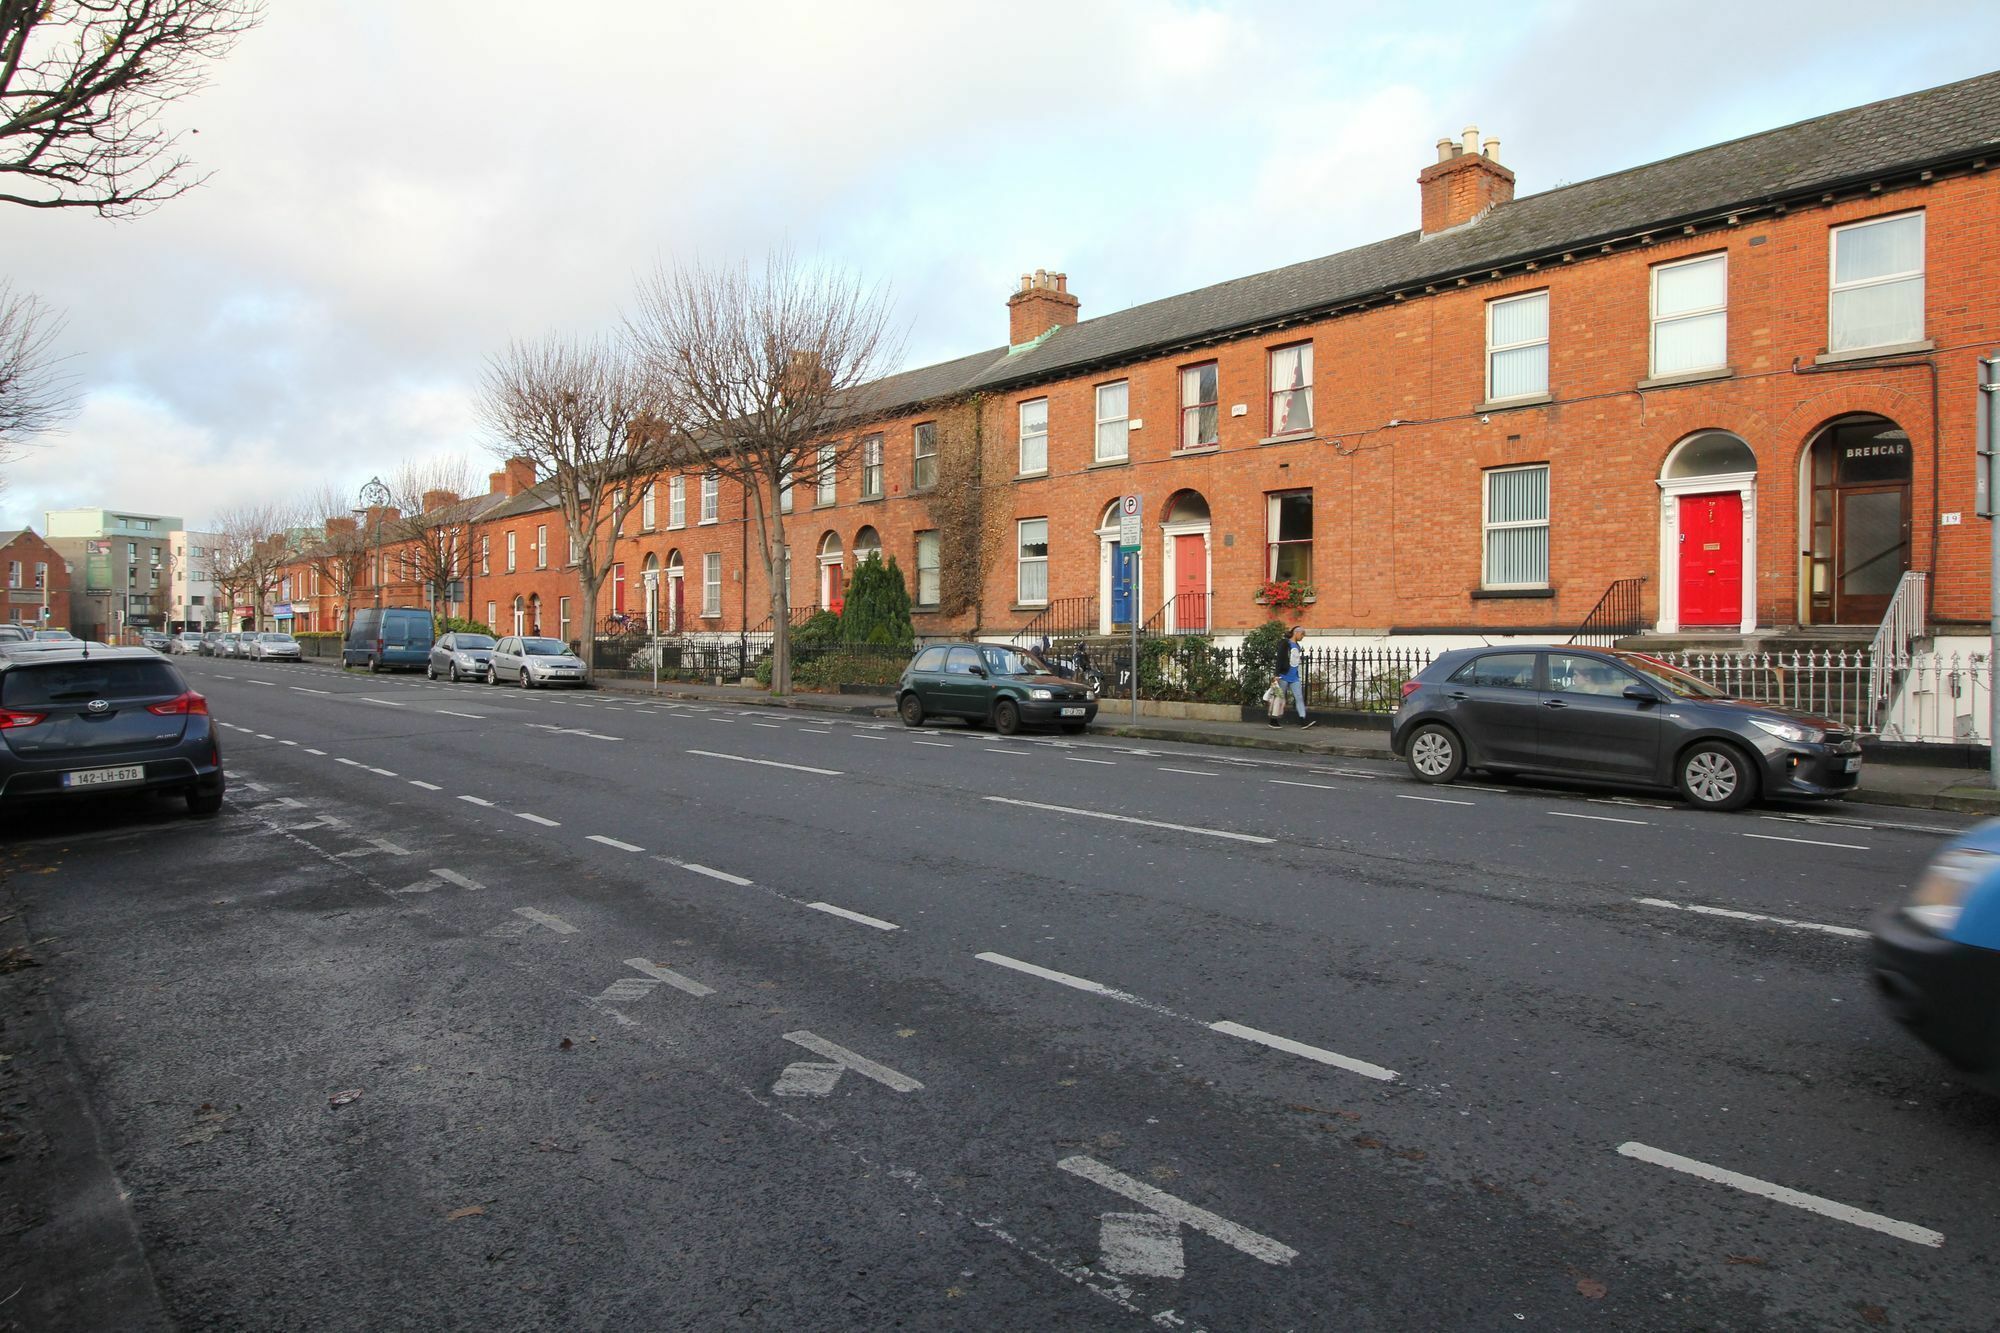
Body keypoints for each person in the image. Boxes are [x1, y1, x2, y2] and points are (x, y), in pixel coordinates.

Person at [1270, 625, 1317, 729]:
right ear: (1296, 632)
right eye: (1302, 634)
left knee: (1299, 697)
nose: (1303, 636)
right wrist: (1277, 674)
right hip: (1283, 676)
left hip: (1294, 677)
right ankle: (1273, 720)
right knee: (1279, 698)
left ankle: (1303, 720)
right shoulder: (1285, 643)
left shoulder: (1297, 646)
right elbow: (1280, 659)